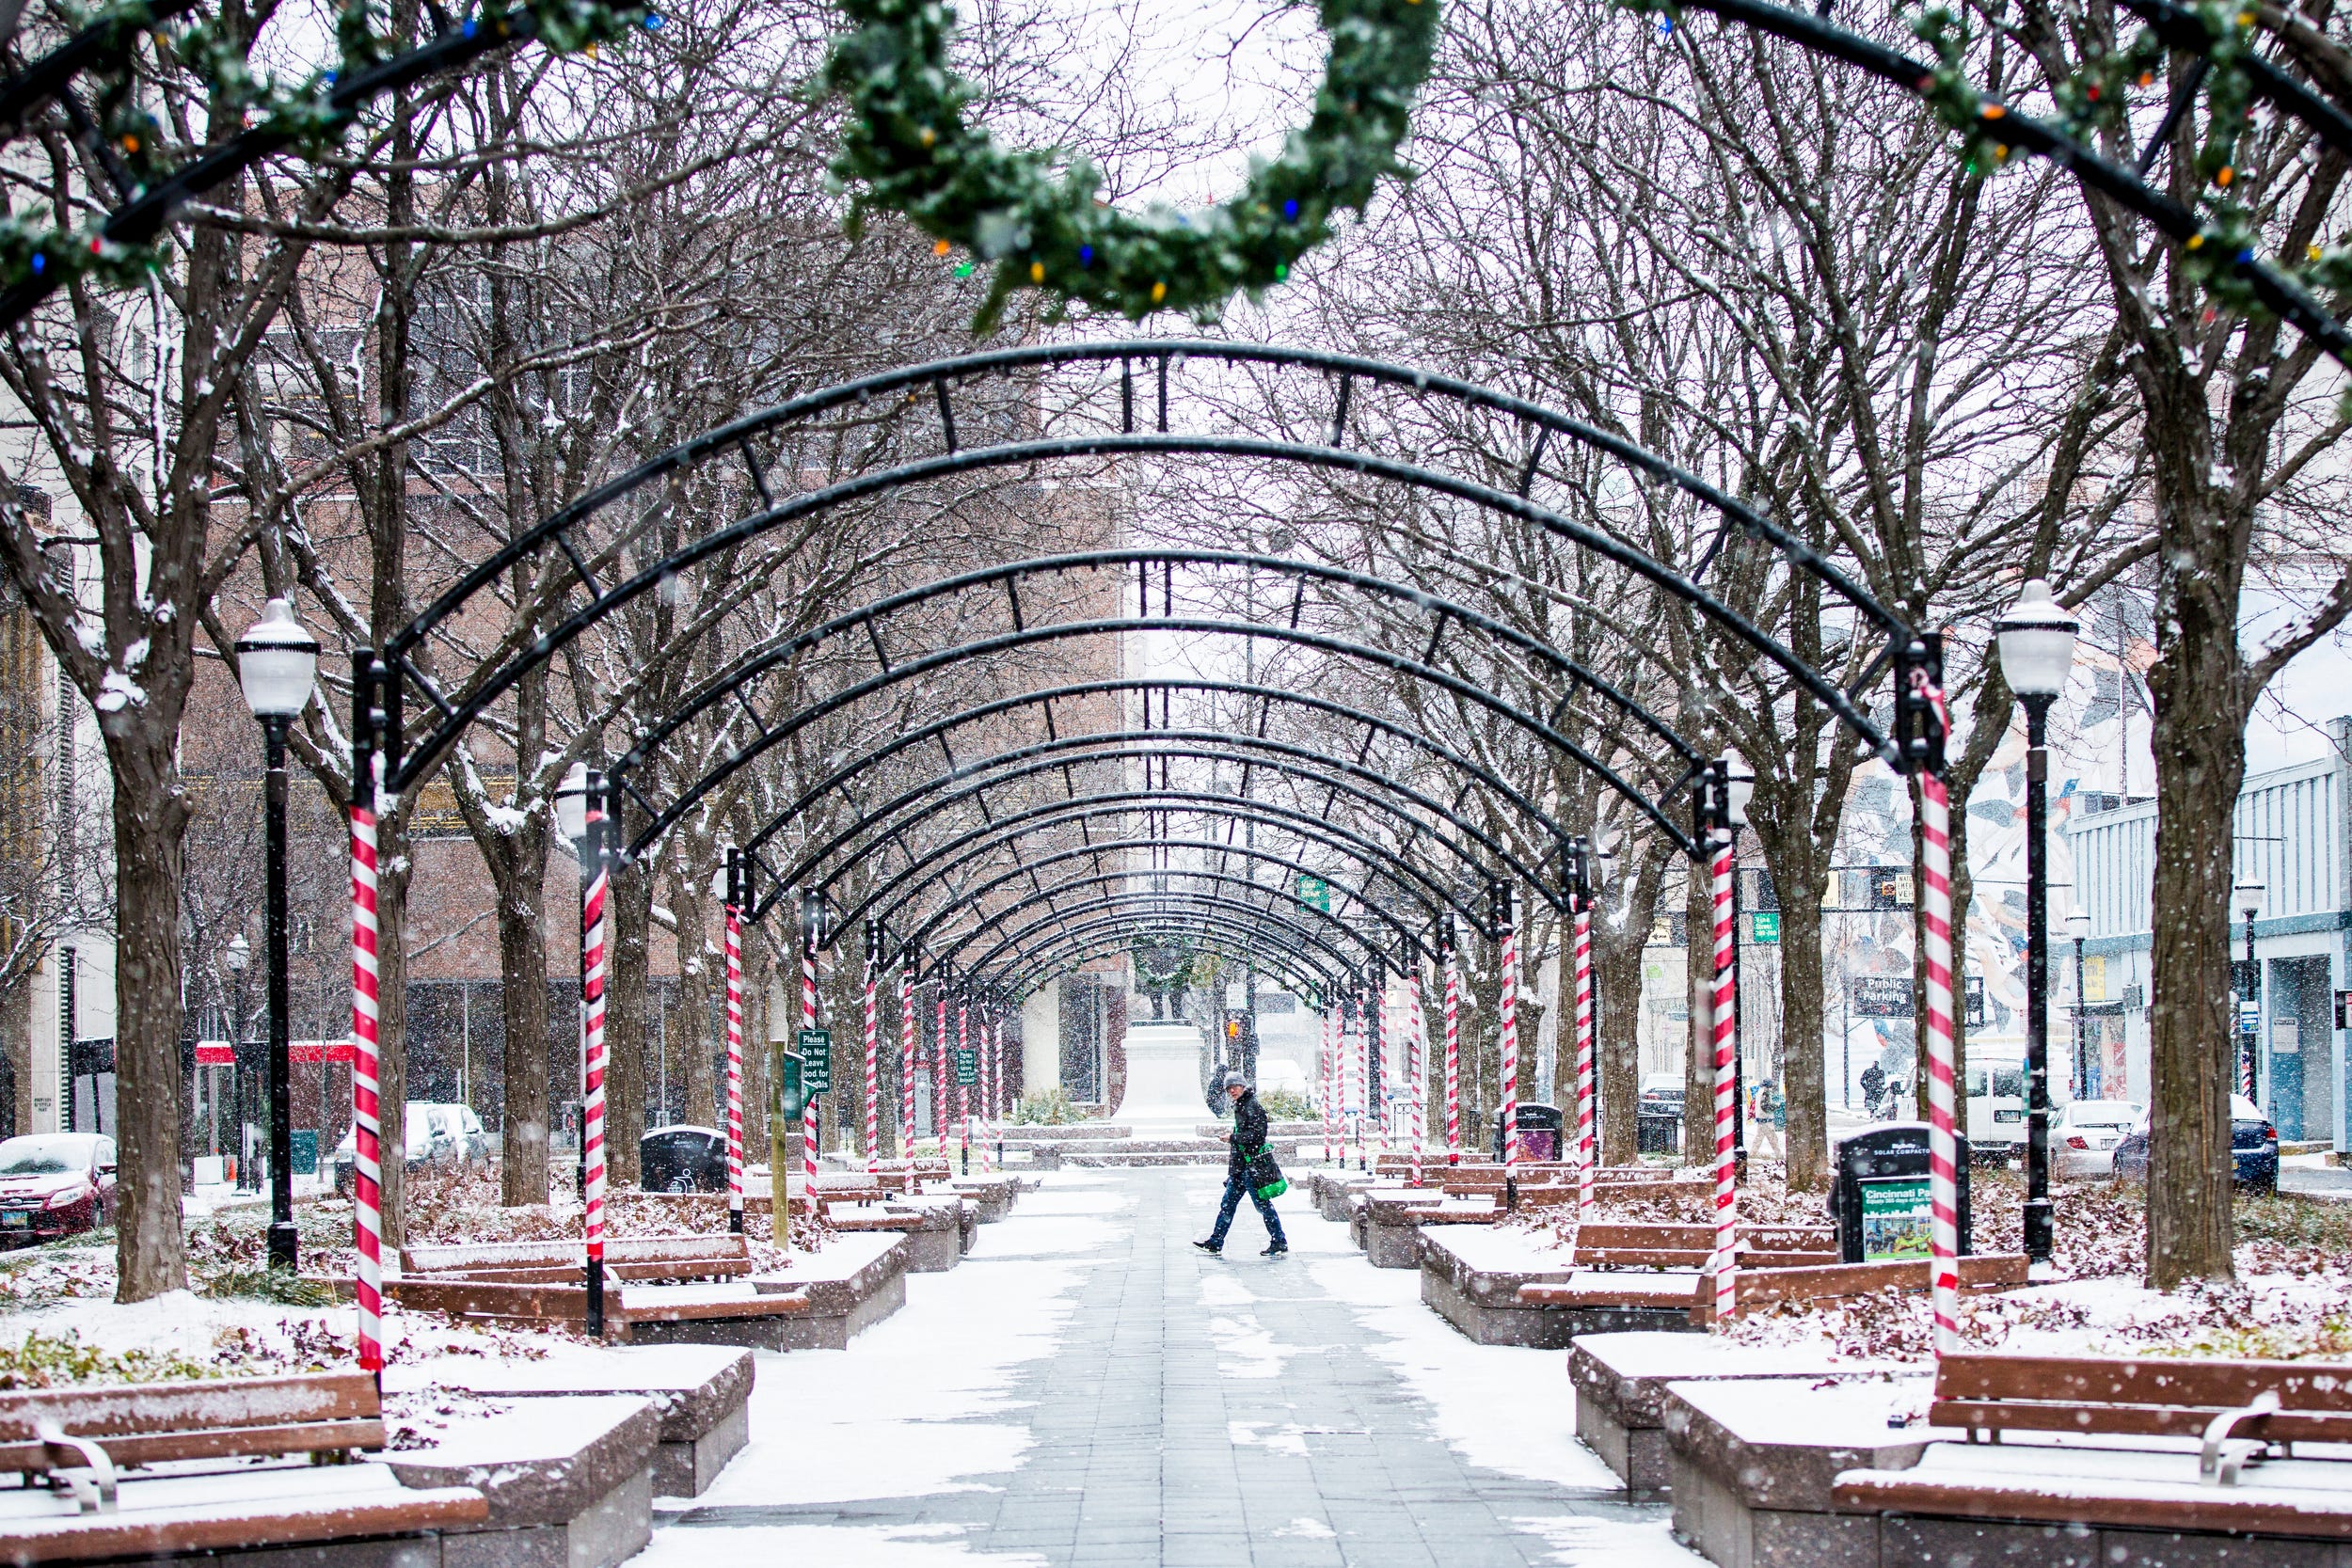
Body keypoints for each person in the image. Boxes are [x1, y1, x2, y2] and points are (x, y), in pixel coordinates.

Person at [1194, 1074, 1287, 1257]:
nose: (1232, 1090)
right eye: (1229, 1088)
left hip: (1250, 1167)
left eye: (1235, 1086)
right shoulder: (1242, 1105)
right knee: (1228, 1205)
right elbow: (1248, 1134)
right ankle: (1215, 1242)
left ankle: (1279, 1241)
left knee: (1261, 1205)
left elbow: (1258, 1135)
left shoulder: (1252, 1106)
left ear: (1243, 1086)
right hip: (1241, 1168)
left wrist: (1232, 1138)